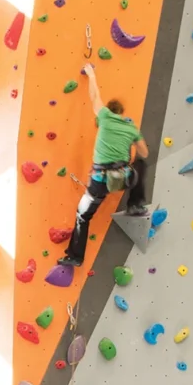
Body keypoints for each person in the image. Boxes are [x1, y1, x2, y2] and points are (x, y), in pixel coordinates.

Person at [59, 61, 149, 270]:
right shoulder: (130, 126)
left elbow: (94, 96)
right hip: (125, 177)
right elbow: (144, 153)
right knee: (141, 165)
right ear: (122, 112)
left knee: (83, 216)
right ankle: (135, 203)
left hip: (100, 182)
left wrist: (90, 73)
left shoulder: (105, 117)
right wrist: (130, 142)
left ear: (109, 111)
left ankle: (75, 257)